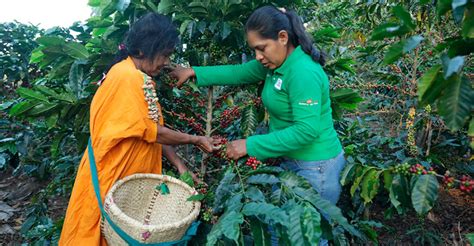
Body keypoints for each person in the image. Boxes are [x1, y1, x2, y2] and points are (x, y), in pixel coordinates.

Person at [171, 5, 346, 245]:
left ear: (283, 38)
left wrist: (249, 145)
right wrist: (194, 71)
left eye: (261, 48)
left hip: (317, 169)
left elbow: (306, 130)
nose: (258, 56)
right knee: (280, 232)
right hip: (291, 162)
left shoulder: (302, 72)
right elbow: (238, 72)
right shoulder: (276, 65)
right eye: (254, 50)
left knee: (307, 238)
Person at [59, 13, 214, 245]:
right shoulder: (127, 78)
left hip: (127, 180)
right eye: (164, 54)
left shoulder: (136, 76)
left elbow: (152, 129)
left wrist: (180, 165)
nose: (165, 62)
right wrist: (195, 139)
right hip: (112, 176)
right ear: (144, 50)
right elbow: (154, 131)